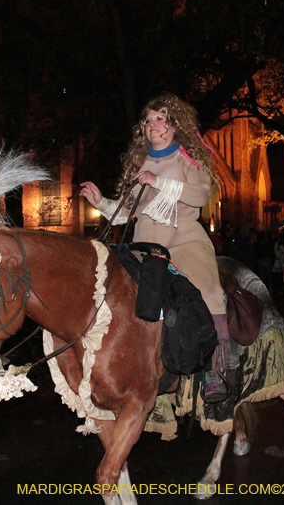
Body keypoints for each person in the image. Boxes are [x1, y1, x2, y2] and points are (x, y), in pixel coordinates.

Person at [79, 92, 231, 402]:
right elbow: (126, 212)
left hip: (185, 240)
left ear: (175, 125)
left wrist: (158, 181)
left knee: (209, 290)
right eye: (148, 120)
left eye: (160, 118)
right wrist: (101, 202)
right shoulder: (141, 163)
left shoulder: (189, 158)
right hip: (146, 247)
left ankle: (216, 368)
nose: (153, 125)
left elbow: (201, 196)